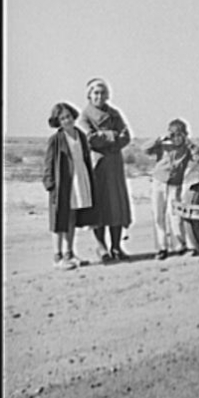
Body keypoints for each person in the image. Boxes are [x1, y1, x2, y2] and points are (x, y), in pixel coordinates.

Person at [78, 78, 132, 262]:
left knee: (116, 206)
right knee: (99, 207)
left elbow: (126, 136)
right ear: (89, 95)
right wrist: (112, 137)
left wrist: (107, 138)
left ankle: (116, 246)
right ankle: (101, 247)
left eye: (102, 93)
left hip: (115, 165)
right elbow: (91, 139)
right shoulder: (84, 116)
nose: (99, 96)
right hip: (97, 165)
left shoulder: (115, 113)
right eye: (96, 93)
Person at [43, 102, 96, 270]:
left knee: (72, 217)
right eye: (63, 118)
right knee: (59, 219)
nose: (67, 120)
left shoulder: (80, 135)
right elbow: (48, 163)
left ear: (73, 116)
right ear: (58, 121)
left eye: (69, 116)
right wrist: (50, 184)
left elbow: (85, 158)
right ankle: (57, 256)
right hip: (62, 183)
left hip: (79, 179)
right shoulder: (55, 140)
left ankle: (69, 253)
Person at [142, 118, 199, 260]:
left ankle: (180, 246)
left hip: (174, 185)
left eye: (180, 134)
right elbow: (145, 149)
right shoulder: (164, 146)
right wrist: (159, 140)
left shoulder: (186, 149)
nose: (176, 138)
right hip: (158, 182)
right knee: (159, 215)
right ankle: (161, 247)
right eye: (173, 134)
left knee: (175, 215)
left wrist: (190, 145)